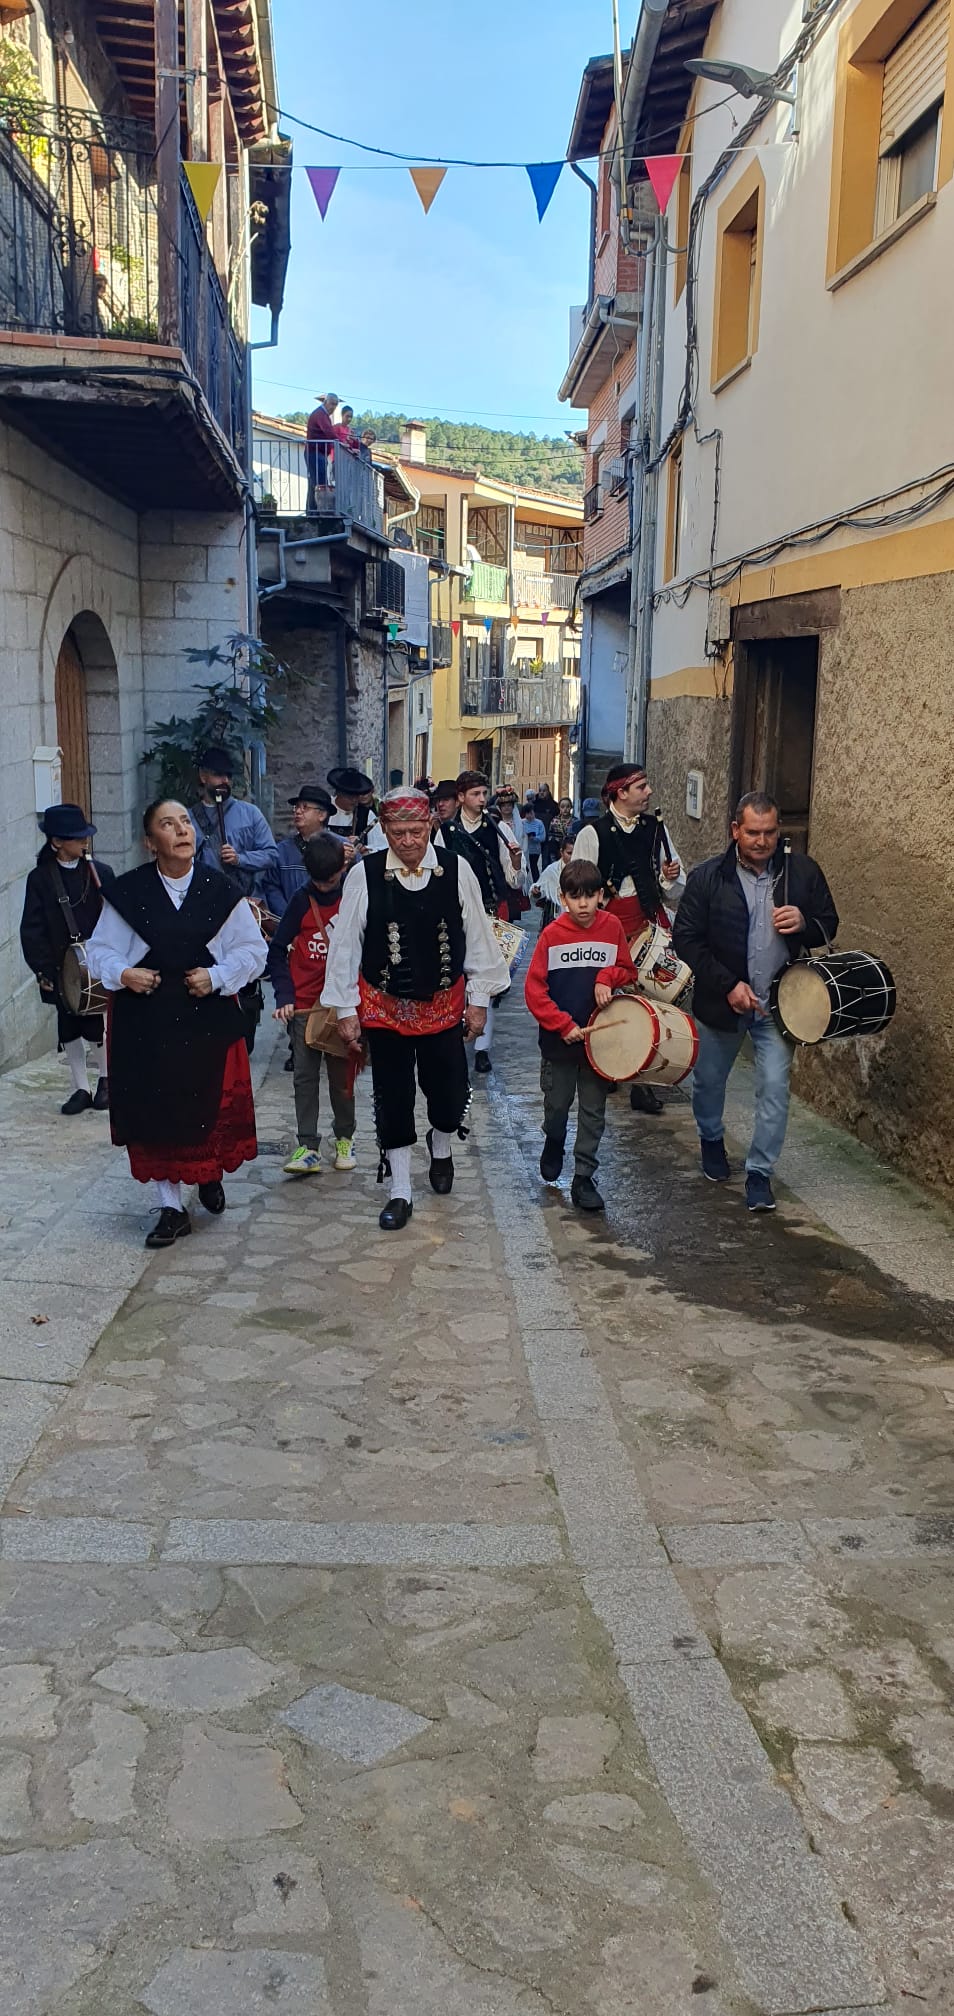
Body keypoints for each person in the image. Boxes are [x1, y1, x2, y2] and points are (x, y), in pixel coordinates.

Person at [322, 788, 509, 1229]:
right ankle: (401, 1188)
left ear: (430, 827)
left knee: (448, 1093)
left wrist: (479, 1001)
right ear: (384, 830)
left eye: (416, 831)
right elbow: (345, 946)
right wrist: (346, 1009)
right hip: (384, 1009)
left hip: (444, 1008)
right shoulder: (363, 875)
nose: (407, 841)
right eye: (398, 832)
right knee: (394, 1095)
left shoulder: (456, 870)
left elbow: (479, 937)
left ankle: (441, 1145)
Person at [84, 800, 266, 1249]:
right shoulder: (129, 893)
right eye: (168, 825)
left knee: (208, 1111)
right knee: (157, 1116)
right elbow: (99, 950)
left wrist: (218, 976)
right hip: (147, 1026)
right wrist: (124, 973)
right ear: (151, 842)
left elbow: (253, 951)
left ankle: (207, 1176)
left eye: (185, 821)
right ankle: (171, 1207)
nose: (181, 830)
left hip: (209, 1021)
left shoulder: (220, 890)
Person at [672, 791, 839, 1213]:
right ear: (735, 831)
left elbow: (828, 925)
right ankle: (711, 1139)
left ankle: (760, 1172)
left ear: (777, 830)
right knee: (709, 1081)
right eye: (752, 833)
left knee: (775, 1089)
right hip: (722, 1002)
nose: (762, 841)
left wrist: (805, 923)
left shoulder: (802, 873)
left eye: (769, 832)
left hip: (779, 1005)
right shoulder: (709, 877)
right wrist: (728, 985)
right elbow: (686, 939)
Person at [524, 858, 638, 1214]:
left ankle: (584, 1176)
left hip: (599, 1041)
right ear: (562, 898)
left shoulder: (612, 926)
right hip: (559, 1041)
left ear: (601, 896)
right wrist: (561, 1024)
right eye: (575, 897)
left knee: (593, 1110)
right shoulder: (551, 935)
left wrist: (607, 978)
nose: (584, 905)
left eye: (590, 896)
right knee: (557, 1106)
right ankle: (553, 1140)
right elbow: (534, 990)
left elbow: (626, 969)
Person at [573, 762, 684, 1117]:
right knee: (605, 1000)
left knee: (652, 1002)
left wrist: (670, 876)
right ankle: (605, 1063)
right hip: (606, 927)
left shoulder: (655, 829)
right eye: (642, 787)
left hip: (648, 924)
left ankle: (645, 1082)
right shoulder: (593, 834)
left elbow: (673, 886)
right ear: (621, 793)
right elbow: (578, 888)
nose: (648, 792)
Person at [266, 832, 357, 1177]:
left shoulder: (353, 895)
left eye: (330, 880)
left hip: (342, 1006)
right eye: (317, 881)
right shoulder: (301, 900)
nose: (323, 886)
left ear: (342, 868)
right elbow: (277, 951)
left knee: (341, 1078)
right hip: (304, 1007)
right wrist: (284, 997)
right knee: (304, 1078)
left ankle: (345, 1138)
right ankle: (308, 1145)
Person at [19, 804, 115, 1115]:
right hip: (60, 967)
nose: (84, 842)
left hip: (96, 963)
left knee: (97, 1024)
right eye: (76, 838)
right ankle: (80, 1088)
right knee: (68, 1026)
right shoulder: (41, 879)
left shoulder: (101, 873)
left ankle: (105, 1081)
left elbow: (116, 919)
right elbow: (31, 928)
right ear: (57, 842)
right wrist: (43, 969)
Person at [189, 747, 277, 1053]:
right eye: (217, 775)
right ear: (203, 777)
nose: (223, 781)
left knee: (246, 972)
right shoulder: (188, 819)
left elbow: (271, 853)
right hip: (204, 910)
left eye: (227, 775)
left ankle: (246, 1030)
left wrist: (241, 858)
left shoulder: (250, 814)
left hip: (244, 905)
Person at [441, 770, 521, 1074]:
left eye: (484, 793)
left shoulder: (497, 828)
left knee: (487, 981)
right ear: (461, 797)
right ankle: (456, 1037)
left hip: (490, 910)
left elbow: (513, 879)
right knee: (457, 977)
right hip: (455, 914)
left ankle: (483, 1049)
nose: (482, 799)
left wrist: (515, 861)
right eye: (475, 794)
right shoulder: (446, 832)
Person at [260, 784, 334, 918]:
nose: (298, 812)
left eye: (305, 807)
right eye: (296, 807)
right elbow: (271, 886)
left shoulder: (342, 847)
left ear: (322, 815)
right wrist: (289, 916)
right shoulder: (282, 850)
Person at [327, 767, 381, 851]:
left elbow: (380, 846)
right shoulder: (325, 809)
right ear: (339, 793)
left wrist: (364, 848)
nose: (355, 801)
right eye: (350, 797)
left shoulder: (366, 815)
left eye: (357, 796)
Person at [306, 392, 339, 511]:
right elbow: (328, 431)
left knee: (316, 482)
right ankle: (316, 511)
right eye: (332, 404)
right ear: (325, 402)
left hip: (318, 453)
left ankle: (313, 510)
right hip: (314, 452)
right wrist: (339, 442)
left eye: (335, 405)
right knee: (319, 484)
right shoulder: (320, 414)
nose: (333, 407)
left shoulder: (322, 414)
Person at [533, 835, 576, 925]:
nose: (573, 857)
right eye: (569, 853)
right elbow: (540, 889)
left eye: (575, 853)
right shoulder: (552, 870)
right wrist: (536, 892)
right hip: (556, 915)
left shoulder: (584, 868)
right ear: (561, 852)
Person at [521, 802, 546, 883]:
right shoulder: (522, 823)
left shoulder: (539, 823)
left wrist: (534, 838)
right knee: (525, 867)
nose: (529, 816)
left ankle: (537, 885)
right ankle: (524, 885)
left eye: (531, 813)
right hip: (524, 849)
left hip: (535, 850)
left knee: (534, 867)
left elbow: (543, 837)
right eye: (527, 813)